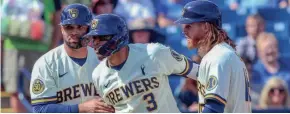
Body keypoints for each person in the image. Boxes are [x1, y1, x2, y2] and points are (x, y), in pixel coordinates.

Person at [82, 14, 199, 112]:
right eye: (94, 38)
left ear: (118, 36)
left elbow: (200, 73)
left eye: (102, 37)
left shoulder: (154, 53)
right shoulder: (98, 75)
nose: (96, 43)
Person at [29, 4, 114, 113]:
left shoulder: (104, 60)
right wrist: (80, 108)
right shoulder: (46, 63)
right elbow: (40, 109)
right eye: (69, 27)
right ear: (61, 29)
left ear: (90, 29)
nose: (74, 32)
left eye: (80, 27)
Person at [175, 0, 251, 113]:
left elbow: (214, 108)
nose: (184, 31)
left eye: (189, 26)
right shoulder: (222, 53)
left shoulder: (217, 57)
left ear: (206, 27)